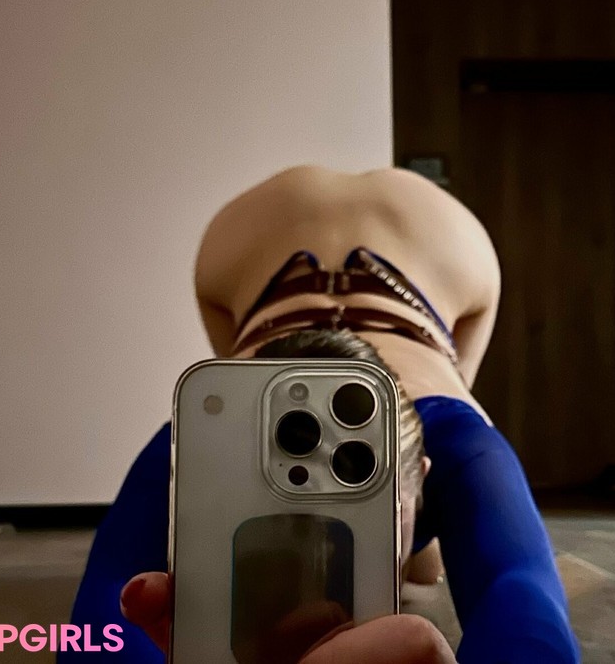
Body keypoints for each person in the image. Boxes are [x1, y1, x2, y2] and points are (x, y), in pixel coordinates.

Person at [66, 166, 580, 663]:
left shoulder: (451, 438)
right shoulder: (459, 438)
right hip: (420, 246)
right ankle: (407, 540)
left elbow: (101, 615)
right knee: (424, 558)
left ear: (425, 471)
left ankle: (411, 541)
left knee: (422, 562)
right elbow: (522, 597)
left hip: (289, 246)